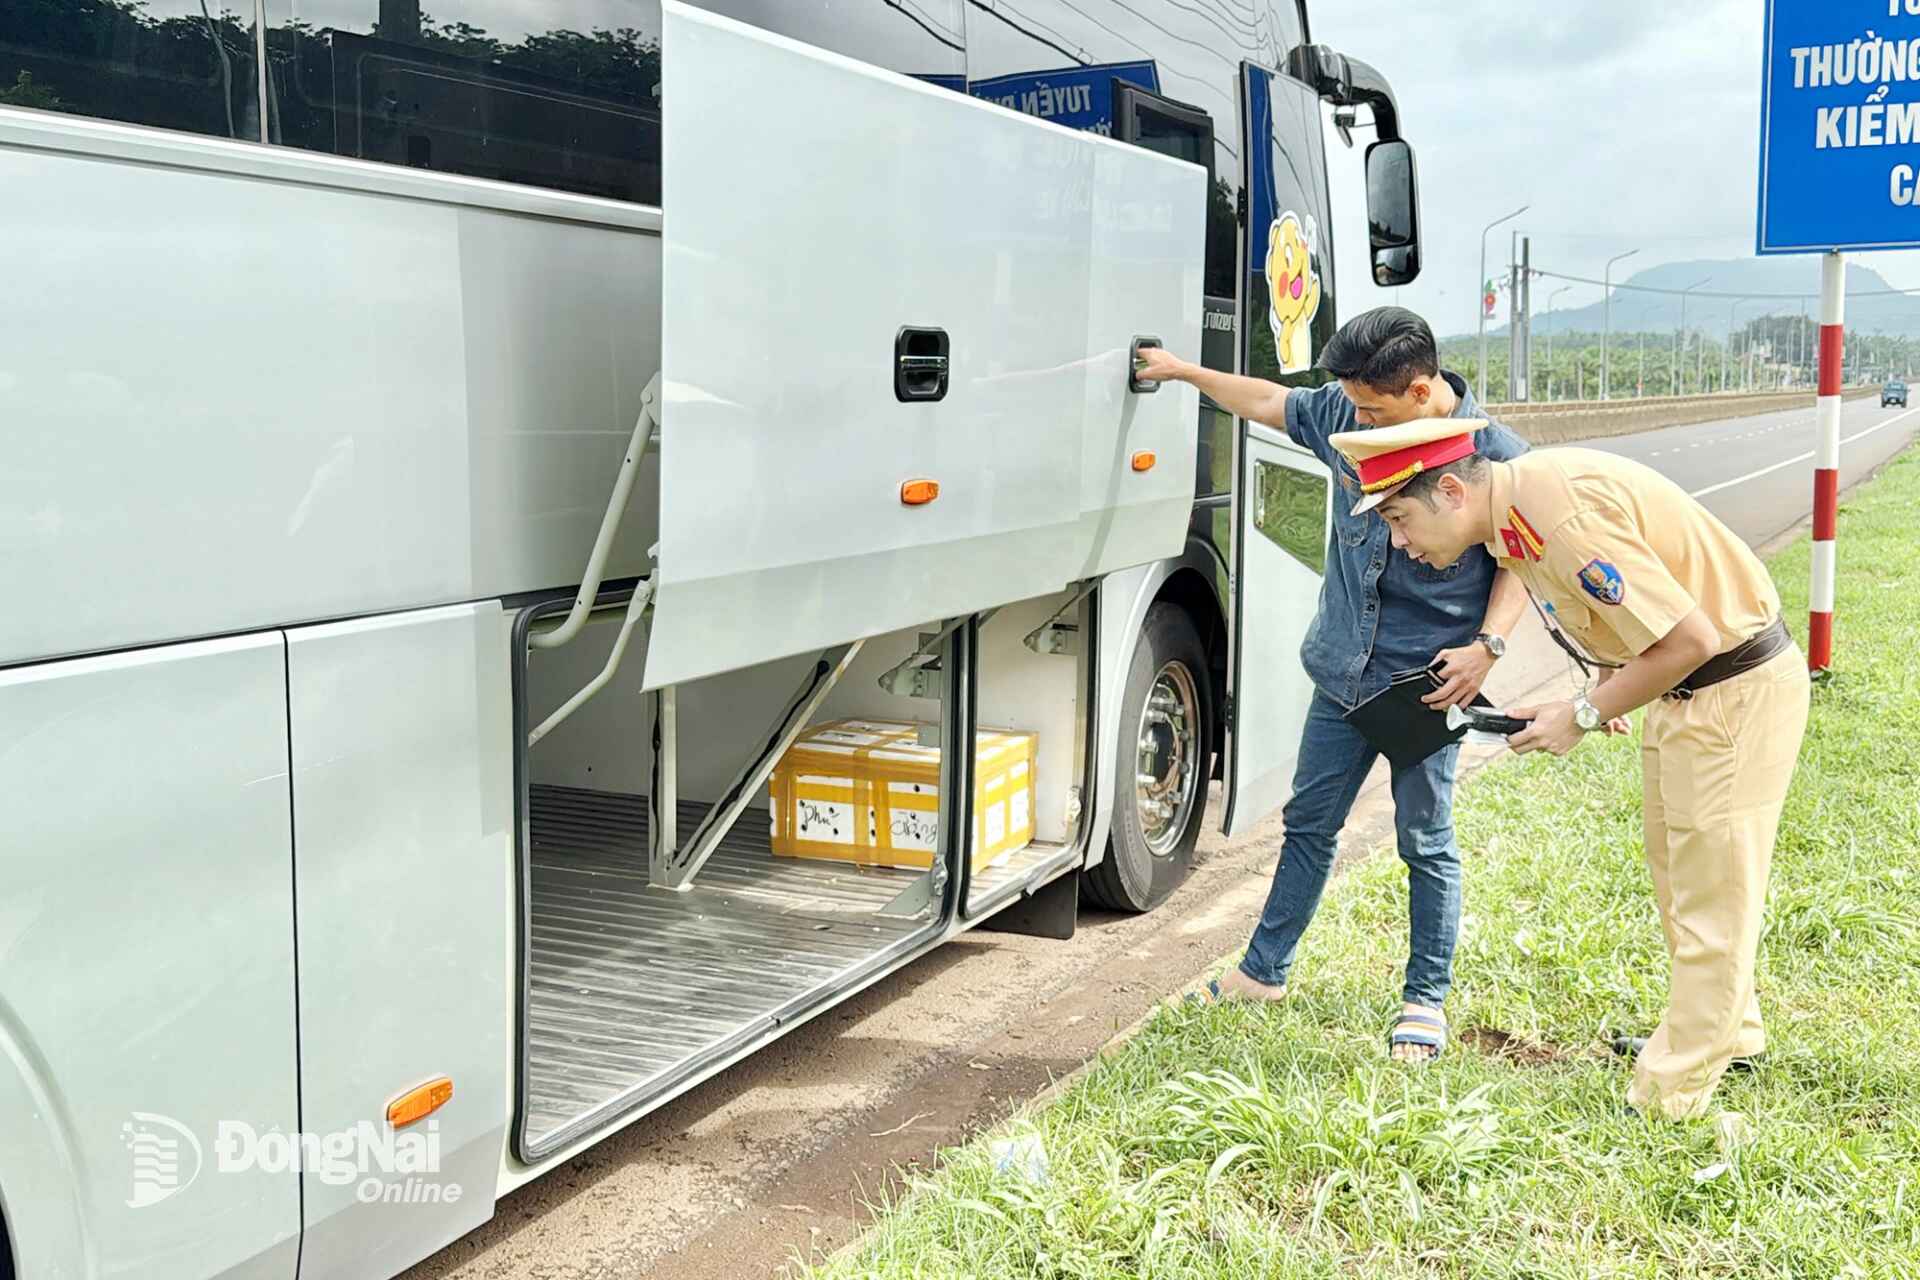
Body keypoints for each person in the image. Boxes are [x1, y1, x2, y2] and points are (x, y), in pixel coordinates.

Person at [1332, 419, 1810, 1118]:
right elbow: (1636, 619)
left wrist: (1583, 714)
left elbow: (1689, 637)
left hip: (1729, 691)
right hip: (1690, 697)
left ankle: (1669, 1094)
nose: (1401, 543)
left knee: (1715, 894)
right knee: (1682, 878)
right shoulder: (1516, 515)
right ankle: (1726, 1032)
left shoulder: (1555, 514)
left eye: (1401, 520)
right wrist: (1605, 686)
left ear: (1454, 491)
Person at [1136, 307, 1529, 1063]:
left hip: (1429, 684)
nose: (1356, 419)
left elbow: (1522, 558)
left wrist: (1489, 647)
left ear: (1420, 392)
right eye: (1350, 404)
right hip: (1341, 675)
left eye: (1373, 408)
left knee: (1426, 840)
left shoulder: (1497, 458)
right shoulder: (1349, 418)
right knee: (1308, 827)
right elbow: (1265, 401)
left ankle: (1424, 1000)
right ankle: (1264, 973)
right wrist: (1185, 372)